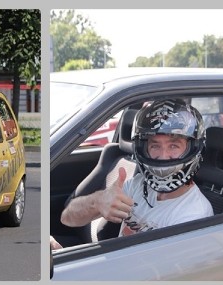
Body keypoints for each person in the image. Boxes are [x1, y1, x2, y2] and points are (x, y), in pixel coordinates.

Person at [60, 98, 213, 237]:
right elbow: (67, 218)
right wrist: (97, 202)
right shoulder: (137, 185)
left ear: (193, 149)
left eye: (174, 146)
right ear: (144, 149)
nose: (163, 155)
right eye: (155, 145)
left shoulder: (194, 214)